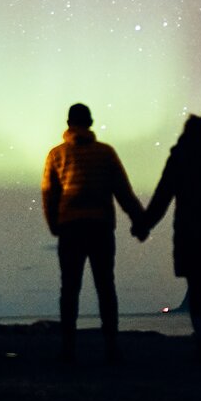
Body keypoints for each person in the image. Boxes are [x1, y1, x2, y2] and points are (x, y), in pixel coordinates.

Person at [41, 103, 145, 364]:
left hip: (70, 228)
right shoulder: (105, 153)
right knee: (105, 287)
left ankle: (68, 349)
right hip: (100, 226)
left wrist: (54, 224)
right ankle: (111, 347)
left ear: (68, 124)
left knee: (70, 289)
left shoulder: (56, 155)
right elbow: (123, 190)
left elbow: (49, 194)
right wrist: (139, 220)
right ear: (90, 123)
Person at [133, 115, 201, 365]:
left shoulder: (179, 160)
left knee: (196, 290)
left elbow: (162, 197)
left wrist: (144, 225)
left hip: (189, 235)